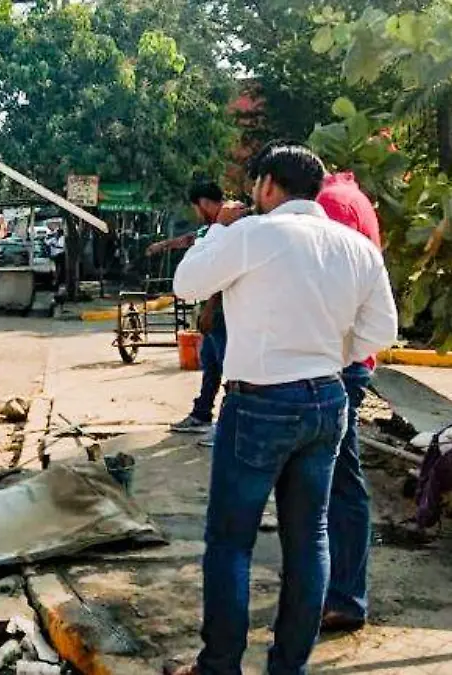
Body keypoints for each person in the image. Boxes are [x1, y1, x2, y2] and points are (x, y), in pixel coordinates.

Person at [164, 145, 397, 675]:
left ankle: (220, 664)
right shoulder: (355, 247)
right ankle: (288, 666)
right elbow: (381, 331)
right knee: (309, 536)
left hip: (260, 402)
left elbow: (186, 284)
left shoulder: (252, 234)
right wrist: (329, 355)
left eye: (253, 186)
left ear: (268, 184)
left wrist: (220, 228)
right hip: (327, 399)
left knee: (230, 541)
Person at [315, 170, 383, 634]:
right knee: (336, 483)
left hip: (338, 361)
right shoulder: (346, 196)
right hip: (344, 358)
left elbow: (330, 288)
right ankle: (335, 591)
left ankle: (345, 597)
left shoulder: (332, 205)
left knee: (339, 484)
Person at [147, 183, 245, 443]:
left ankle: (231, 425)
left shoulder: (231, 224)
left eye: (195, 207)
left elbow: (222, 272)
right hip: (214, 310)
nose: (195, 213)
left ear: (202, 202)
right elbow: (192, 239)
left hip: (224, 310)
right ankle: (202, 413)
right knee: (211, 364)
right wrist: (164, 245)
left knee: (230, 368)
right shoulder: (212, 227)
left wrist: (210, 308)